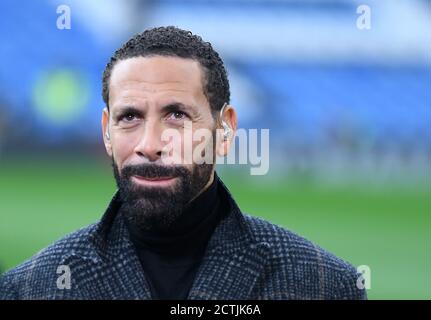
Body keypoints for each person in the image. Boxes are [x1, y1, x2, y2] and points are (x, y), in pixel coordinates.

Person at [0, 26, 366, 300]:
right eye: (129, 117)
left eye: (176, 115)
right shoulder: (28, 289)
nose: (150, 145)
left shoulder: (325, 286)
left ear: (224, 131)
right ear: (106, 132)